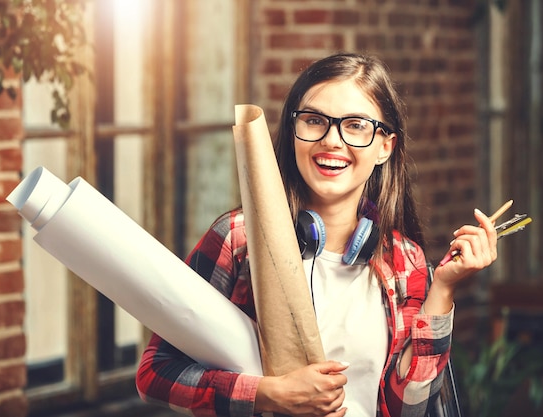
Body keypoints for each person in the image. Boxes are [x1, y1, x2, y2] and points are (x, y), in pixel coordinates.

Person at [136, 52, 498, 417]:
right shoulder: (237, 239)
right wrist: (264, 394)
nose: (331, 141)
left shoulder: (405, 261)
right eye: (314, 120)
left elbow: (409, 408)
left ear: (384, 146)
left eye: (356, 125)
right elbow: (155, 373)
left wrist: (444, 288)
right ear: (293, 131)